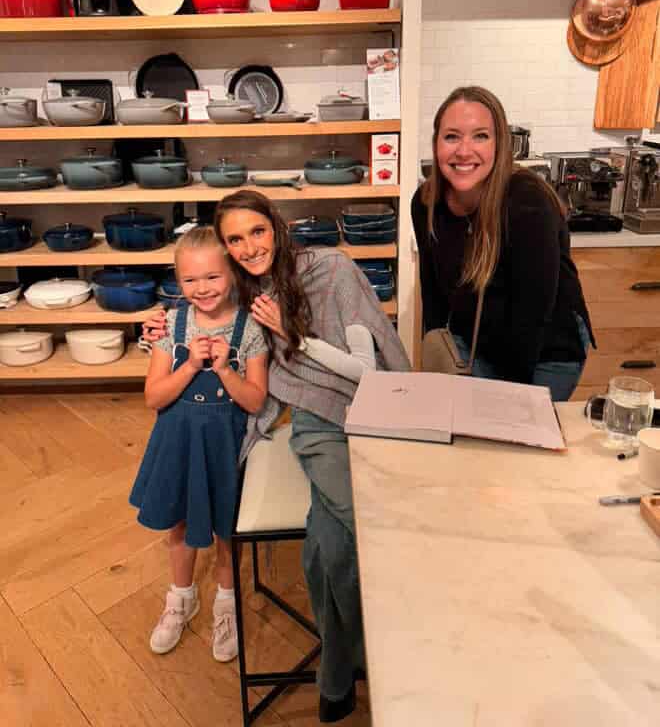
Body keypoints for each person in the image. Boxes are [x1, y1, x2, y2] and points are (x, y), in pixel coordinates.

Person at [142, 190, 410, 723]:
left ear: (277, 226)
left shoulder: (330, 270)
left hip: (375, 408)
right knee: (360, 526)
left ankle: (341, 671)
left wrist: (294, 333)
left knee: (329, 546)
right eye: (235, 240)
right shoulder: (243, 293)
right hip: (314, 421)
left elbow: (369, 371)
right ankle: (383, 655)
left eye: (257, 232)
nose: (248, 247)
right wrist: (155, 328)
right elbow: (200, 309)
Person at [130, 226, 268, 662]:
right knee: (180, 525)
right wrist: (190, 365)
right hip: (179, 443)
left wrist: (225, 369)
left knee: (226, 529)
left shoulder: (250, 329)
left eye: (212, 276)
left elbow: (255, 400)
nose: (202, 288)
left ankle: (226, 604)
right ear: (177, 280)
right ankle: (181, 599)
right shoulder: (170, 325)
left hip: (227, 448)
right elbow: (154, 397)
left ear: (232, 272)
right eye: (190, 280)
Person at [412, 85, 594, 401]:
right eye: (452, 136)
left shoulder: (527, 203)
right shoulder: (426, 203)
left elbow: (531, 317)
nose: (464, 151)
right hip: (475, 340)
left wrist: (506, 404)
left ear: (500, 145)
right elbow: (434, 297)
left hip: (545, 350)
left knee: (513, 428)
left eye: (480, 136)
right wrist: (438, 357)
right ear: (436, 143)